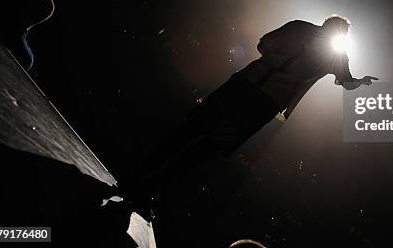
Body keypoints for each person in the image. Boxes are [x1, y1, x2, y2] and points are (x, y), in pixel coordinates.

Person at [141, 15, 377, 192]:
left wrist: (277, 60)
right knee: (211, 144)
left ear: (326, 23)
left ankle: (144, 170)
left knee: (195, 126)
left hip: (244, 85)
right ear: (341, 34)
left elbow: (263, 44)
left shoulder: (299, 27)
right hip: (264, 105)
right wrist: (361, 81)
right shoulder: (337, 54)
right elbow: (346, 83)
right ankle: (153, 186)